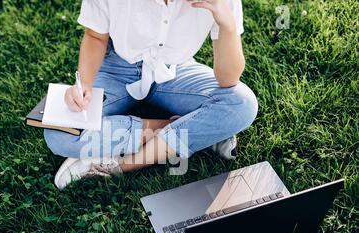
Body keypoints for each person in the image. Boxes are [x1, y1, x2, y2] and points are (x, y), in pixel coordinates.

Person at [44, 0, 258, 189]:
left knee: (241, 104)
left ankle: (122, 165)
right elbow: (95, 36)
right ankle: (194, 131)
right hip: (117, 69)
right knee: (60, 133)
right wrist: (85, 84)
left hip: (173, 70)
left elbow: (228, 80)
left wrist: (227, 25)